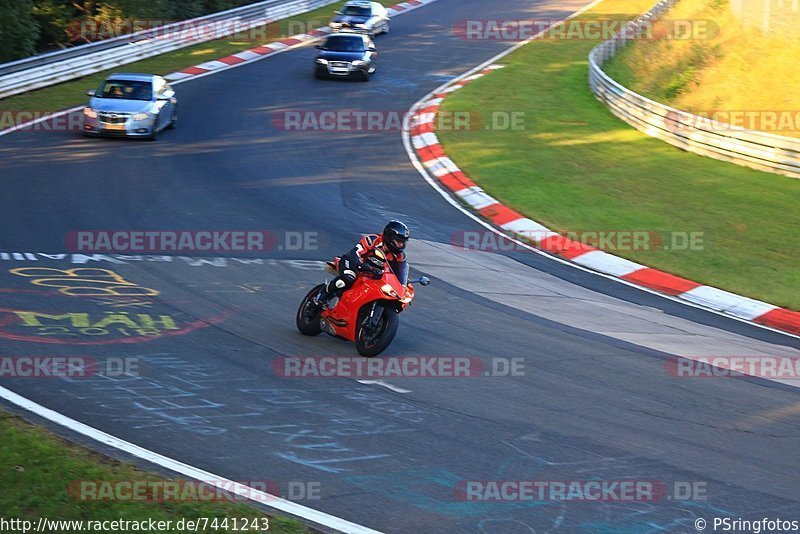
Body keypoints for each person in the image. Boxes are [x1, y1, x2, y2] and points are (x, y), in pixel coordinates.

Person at [315, 220, 410, 306]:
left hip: (372, 274)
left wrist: (403, 283)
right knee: (347, 278)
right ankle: (323, 294)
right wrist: (359, 263)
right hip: (354, 263)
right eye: (399, 241)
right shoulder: (373, 240)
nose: (401, 245)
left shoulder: (400, 256)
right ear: (389, 237)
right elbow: (356, 252)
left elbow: (400, 272)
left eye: (403, 242)